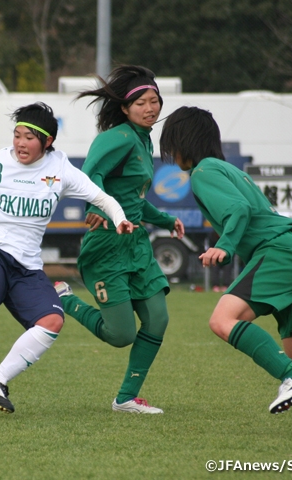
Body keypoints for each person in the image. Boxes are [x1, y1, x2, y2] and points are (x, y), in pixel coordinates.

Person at [0, 102, 137, 421]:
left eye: (29, 137)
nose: (21, 143)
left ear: (47, 141)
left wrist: (119, 218)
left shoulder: (61, 170)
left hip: (27, 267)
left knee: (52, 320)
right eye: (17, 135)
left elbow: (101, 198)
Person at [159, 106, 292, 413]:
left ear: (183, 141)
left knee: (222, 321)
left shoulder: (203, 172)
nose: (170, 153)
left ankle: (291, 378)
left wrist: (225, 246)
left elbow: (239, 211)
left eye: (171, 145)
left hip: (279, 253)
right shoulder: (230, 169)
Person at [54, 65, 185, 414]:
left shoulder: (143, 139)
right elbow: (90, 174)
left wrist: (166, 219)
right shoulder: (118, 137)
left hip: (136, 244)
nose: (150, 107)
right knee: (120, 335)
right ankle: (65, 299)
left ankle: (126, 398)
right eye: (141, 102)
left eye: (155, 100)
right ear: (125, 108)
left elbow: (134, 200)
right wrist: (93, 207)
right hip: (107, 245)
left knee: (158, 319)